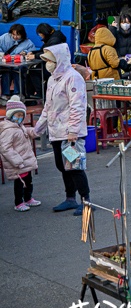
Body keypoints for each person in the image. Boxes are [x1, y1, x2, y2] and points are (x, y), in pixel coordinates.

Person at [34, 44, 89, 216]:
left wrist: (73, 131)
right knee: (62, 166)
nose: (48, 64)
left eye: (50, 61)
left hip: (70, 134)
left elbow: (77, 106)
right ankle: (70, 198)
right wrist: (37, 129)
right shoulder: (52, 79)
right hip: (56, 132)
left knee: (75, 166)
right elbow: (48, 107)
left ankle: (86, 200)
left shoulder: (73, 78)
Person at [1, 96, 40, 211]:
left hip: (24, 161)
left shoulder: (19, 126)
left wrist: (35, 130)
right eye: (18, 115)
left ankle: (28, 198)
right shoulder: (8, 130)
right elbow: (5, 148)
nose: (20, 118)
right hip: (18, 162)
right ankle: (18, 202)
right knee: (20, 183)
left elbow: (26, 132)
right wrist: (17, 161)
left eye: (22, 115)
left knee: (28, 181)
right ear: (11, 115)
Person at [0, 24, 36, 97]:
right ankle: (5, 94)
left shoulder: (28, 42)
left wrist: (26, 53)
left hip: (19, 65)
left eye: (18, 35)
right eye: (13, 34)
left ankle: (18, 93)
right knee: (6, 72)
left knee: (17, 72)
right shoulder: (4, 38)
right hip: (5, 63)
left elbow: (32, 52)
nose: (15, 37)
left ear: (22, 34)